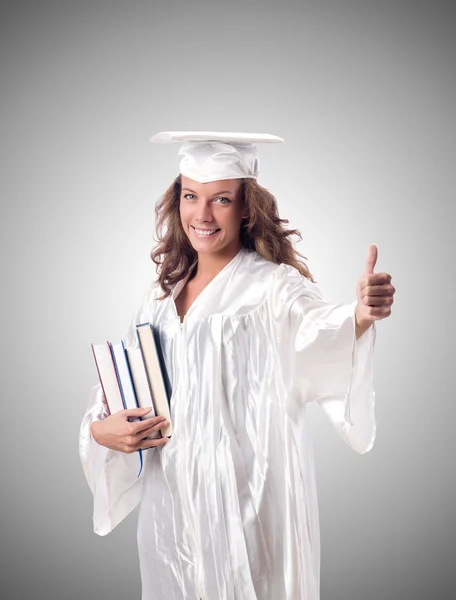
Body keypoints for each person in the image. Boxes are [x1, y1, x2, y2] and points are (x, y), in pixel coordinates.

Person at [79, 131, 395, 600]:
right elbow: (112, 400)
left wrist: (360, 316)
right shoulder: (158, 303)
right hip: (171, 522)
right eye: (191, 196)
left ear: (246, 207)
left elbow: (319, 329)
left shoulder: (272, 288)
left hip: (249, 518)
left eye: (220, 199)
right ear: (177, 201)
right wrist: (101, 433)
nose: (201, 214)